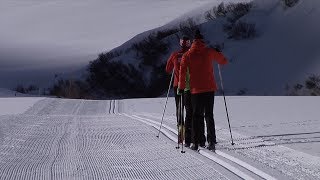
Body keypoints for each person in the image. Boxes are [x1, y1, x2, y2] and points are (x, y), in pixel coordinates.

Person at [178, 30, 228, 151]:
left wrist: (181, 87)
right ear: (202, 41)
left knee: (196, 116)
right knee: (209, 115)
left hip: (196, 90)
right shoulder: (209, 52)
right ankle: (211, 141)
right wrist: (219, 53)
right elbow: (223, 61)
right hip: (210, 89)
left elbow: (183, 74)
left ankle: (195, 142)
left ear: (193, 42)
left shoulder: (187, 55)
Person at [166, 36, 192, 146]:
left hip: (177, 85)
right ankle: (189, 134)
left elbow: (167, 69)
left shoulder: (175, 55)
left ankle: (180, 134)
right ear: (189, 44)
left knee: (179, 109)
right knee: (189, 109)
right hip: (190, 86)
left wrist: (174, 67)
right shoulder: (191, 54)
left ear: (180, 44)